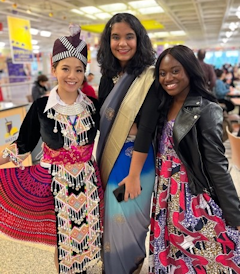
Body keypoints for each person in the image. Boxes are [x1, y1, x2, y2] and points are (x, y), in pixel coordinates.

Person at [0, 24, 103, 274]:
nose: (72, 75)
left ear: (85, 73)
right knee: (62, 241)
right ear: (54, 69)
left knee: (88, 238)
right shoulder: (41, 106)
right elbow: (22, 145)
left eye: (79, 70)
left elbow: (116, 135)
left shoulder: (93, 106)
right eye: (65, 68)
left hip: (87, 182)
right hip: (54, 185)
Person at [149, 45, 240, 273]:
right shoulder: (162, 107)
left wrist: (234, 213)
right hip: (164, 197)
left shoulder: (206, 109)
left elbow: (217, 165)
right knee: (171, 257)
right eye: (162, 73)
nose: (168, 78)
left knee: (204, 256)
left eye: (175, 71)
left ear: (189, 70)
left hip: (190, 195)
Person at [96, 13, 160, 274]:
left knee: (131, 219)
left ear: (139, 39)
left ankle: (130, 267)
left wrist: (134, 176)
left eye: (129, 37)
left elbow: (145, 128)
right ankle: (112, 268)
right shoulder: (107, 76)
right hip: (111, 160)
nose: (122, 43)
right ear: (108, 41)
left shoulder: (149, 76)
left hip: (137, 165)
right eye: (115, 37)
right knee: (112, 218)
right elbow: (102, 119)